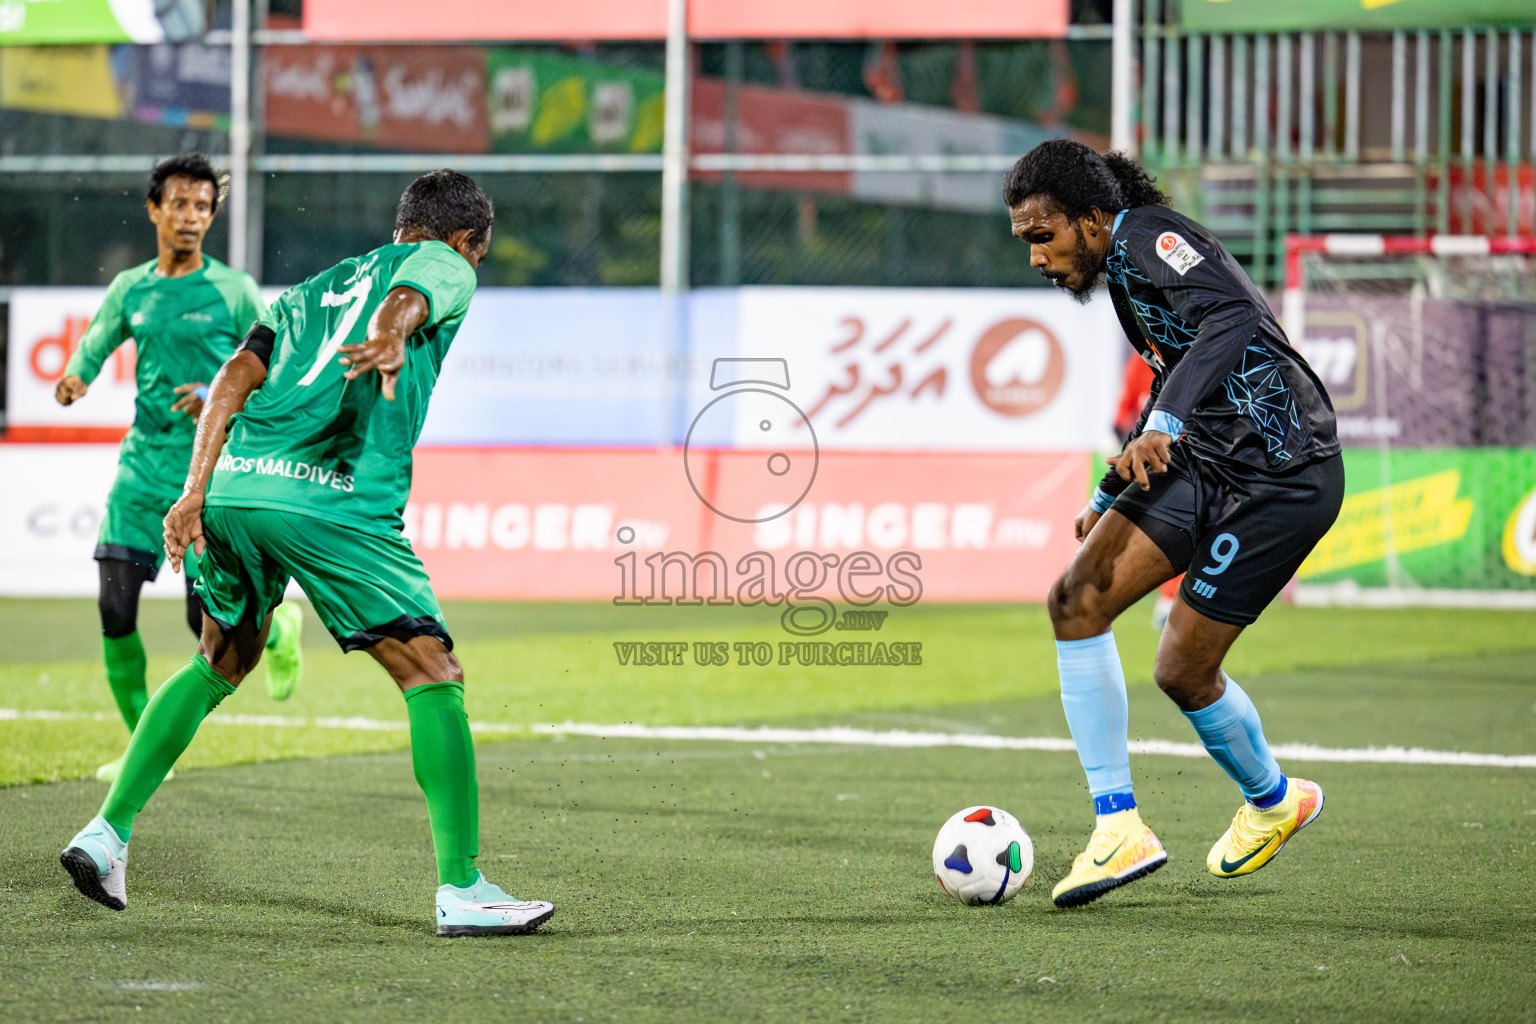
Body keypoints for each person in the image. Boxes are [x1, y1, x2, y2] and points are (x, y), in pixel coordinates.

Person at [57, 169, 553, 938]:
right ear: (469, 240)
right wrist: (392, 334)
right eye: (475, 255)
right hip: (333, 496)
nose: (469, 267)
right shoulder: (445, 264)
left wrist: (193, 491)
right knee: (431, 673)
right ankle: (463, 888)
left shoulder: (309, 289)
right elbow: (410, 297)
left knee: (217, 661)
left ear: (398, 224)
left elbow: (234, 376)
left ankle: (106, 832)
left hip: (237, 485)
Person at [1003, 140, 1344, 908]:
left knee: (1180, 669)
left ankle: (1274, 800)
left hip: (1284, 473)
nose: (1035, 257)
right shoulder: (1122, 272)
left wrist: (1162, 421)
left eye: (1041, 236)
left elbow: (1229, 316)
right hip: (1204, 460)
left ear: (1092, 220)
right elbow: (1174, 358)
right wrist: (1110, 480)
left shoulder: (1151, 237)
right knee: (1075, 598)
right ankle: (1118, 828)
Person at [54, 153, 303, 784]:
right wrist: (76, 377)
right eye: (181, 205)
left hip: (209, 474)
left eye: (203, 207)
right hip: (141, 471)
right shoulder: (131, 288)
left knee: (205, 623)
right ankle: (145, 750)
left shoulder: (235, 290)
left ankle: (278, 633)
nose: (192, 217)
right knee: (114, 608)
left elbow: (272, 370)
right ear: (154, 210)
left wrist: (219, 394)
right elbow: (97, 340)